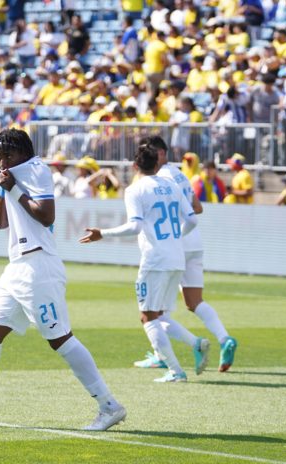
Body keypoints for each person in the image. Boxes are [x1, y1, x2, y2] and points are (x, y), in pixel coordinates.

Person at [0, 129, 126, 431]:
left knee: (60, 339)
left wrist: (14, 188)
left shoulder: (36, 170)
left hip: (38, 266)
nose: (2, 161)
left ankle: (109, 406)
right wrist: (3, 190)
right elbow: (1, 222)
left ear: (22, 152)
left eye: (7, 155)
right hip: (17, 267)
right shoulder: (13, 175)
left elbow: (46, 216)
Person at [79, 144, 202, 383]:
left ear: (135, 166)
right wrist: (176, 238)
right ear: (157, 163)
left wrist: (102, 233)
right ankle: (195, 344)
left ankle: (176, 370)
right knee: (160, 315)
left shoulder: (135, 190)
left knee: (148, 317)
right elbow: (193, 220)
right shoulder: (172, 185)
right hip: (177, 258)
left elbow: (135, 226)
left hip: (155, 259)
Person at [135, 136, 237, 373]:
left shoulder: (159, 179)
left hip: (173, 244)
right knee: (194, 302)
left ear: (159, 153)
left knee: (156, 313)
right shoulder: (179, 174)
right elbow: (197, 208)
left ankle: (166, 356)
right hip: (194, 243)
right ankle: (224, 338)